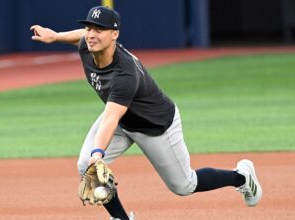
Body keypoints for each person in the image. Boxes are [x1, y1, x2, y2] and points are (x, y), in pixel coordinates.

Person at [30, 6, 262, 220]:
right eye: (90, 27)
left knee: (184, 185)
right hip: (123, 120)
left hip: (155, 126)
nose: (91, 34)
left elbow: (110, 117)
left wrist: (98, 153)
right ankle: (120, 218)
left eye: (100, 29)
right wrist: (55, 36)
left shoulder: (126, 74)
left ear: (115, 35)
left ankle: (241, 177)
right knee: (86, 167)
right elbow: (80, 35)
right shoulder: (87, 44)